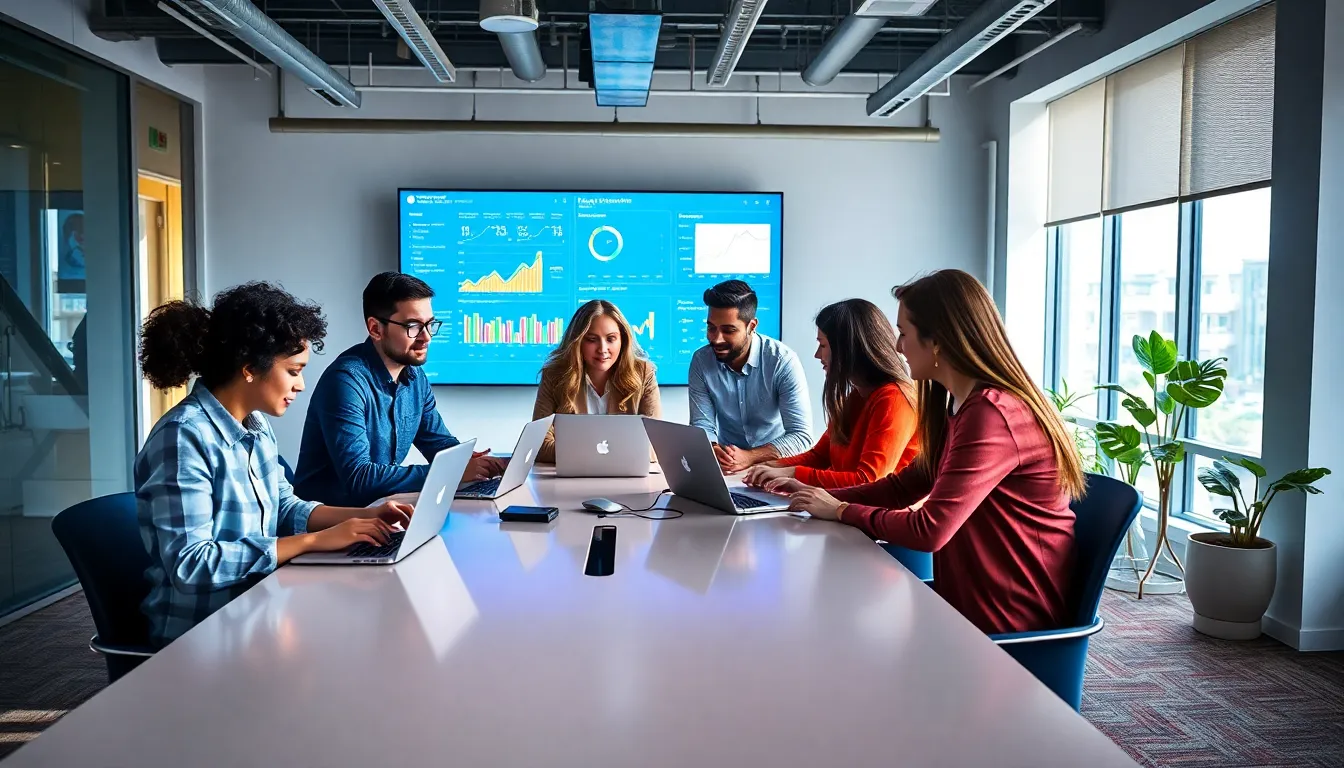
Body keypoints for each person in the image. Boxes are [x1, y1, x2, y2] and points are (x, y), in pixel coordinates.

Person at [782, 270, 1081, 635]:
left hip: (1005, 624)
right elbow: (901, 488)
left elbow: (931, 530)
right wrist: (821, 500)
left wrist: (841, 510)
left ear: (937, 341)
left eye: (904, 334)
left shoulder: (993, 414)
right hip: (961, 605)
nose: (896, 347)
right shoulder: (956, 405)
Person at [135, 282, 415, 647]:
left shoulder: (255, 425)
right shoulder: (183, 438)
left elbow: (284, 505)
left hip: (261, 610)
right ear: (250, 368)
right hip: (205, 637)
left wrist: (363, 517)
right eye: (294, 370)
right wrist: (313, 542)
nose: (301, 385)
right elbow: (192, 565)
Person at [295, 273, 501, 507]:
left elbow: (438, 444)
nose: (426, 338)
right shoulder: (345, 382)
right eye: (413, 326)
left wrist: (471, 461)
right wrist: (450, 472)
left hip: (378, 513)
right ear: (375, 329)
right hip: (331, 527)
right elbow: (360, 479)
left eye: (430, 324)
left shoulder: (414, 377)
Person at [743, 299, 918, 490]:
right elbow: (819, 456)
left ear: (848, 349)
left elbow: (868, 481)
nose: (817, 355)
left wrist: (793, 474)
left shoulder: (894, 399)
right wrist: (768, 467)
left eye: (823, 345)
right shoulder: (857, 395)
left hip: (880, 515)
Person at [688, 280, 812, 474]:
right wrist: (712, 449)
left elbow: (802, 437)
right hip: (728, 469)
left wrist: (750, 457)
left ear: (751, 326)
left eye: (728, 330)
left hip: (776, 467)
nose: (716, 338)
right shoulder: (701, 361)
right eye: (711, 328)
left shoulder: (782, 361)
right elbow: (702, 425)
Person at [531, 299, 661, 463]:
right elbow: (538, 445)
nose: (602, 349)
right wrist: (604, 453)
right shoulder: (554, 375)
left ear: (623, 340)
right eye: (592, 339)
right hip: (571, 481)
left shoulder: (643, 374)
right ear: (577, 341)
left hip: (628, 480)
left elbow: (654, 445)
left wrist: (577, 451)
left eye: (611, 339)